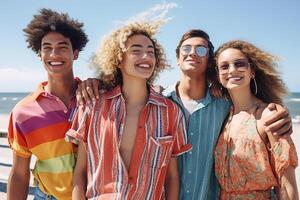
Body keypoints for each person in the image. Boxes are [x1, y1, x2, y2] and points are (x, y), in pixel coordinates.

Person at [76, 29, 292, 200]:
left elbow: (250, 110)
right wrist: (94, 82)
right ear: (177, 59)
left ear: (209, 62)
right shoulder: (162, 101)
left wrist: (279, 112)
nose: (192, 53)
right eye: (186, 48)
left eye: (201, 50)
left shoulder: (224, 106)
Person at [65, 21, 192, 199]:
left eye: (151, 52)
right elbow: (80, 171)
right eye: (136, 50)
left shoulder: (171, 112)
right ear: (118, 58)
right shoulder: (92, 106)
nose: (146, 56)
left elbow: (171, 177)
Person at [7, 8, 88, 200]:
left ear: (75, 53)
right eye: (47, 47)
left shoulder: (94, 97)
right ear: (39, 54)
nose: (54, 54)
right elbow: (19, 173)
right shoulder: (22, 112)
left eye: (62, 47)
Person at [213, 40, 298, 199]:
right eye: (224, 66)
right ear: (218, 76)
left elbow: (287, 185)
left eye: (239, 64)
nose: (232, 70)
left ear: (252, 71)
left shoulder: (269, 115)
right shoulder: (224, 115)